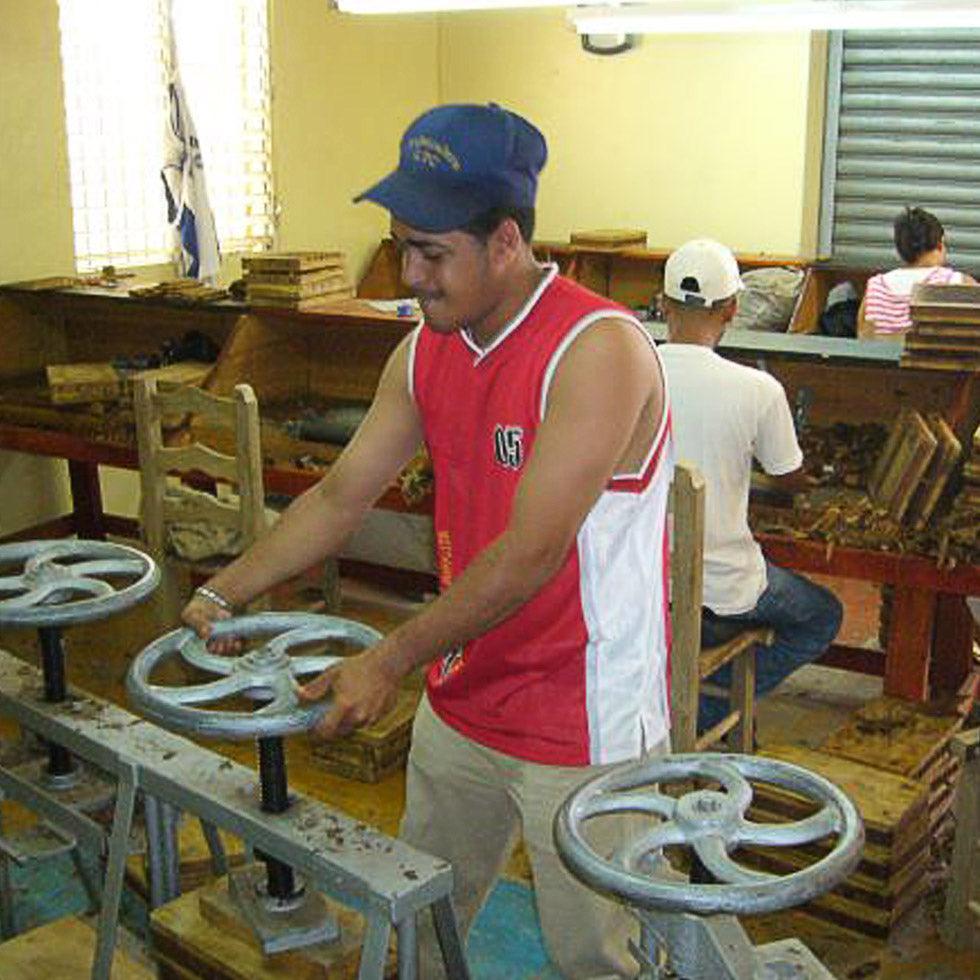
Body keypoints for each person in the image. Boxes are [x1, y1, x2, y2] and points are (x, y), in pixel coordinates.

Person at [182, 103, 673, 978]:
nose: (410, 273)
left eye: (432, 252)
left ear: (507, 244)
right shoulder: (424, 351)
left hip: (584, 720)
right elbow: (340, 496)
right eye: (401, 245)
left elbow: (531, 552)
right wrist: (228, 589)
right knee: (417, 925)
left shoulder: (598, 351)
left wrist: (389, 657)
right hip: (465, 698)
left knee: (597, 959)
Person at [657, 239, 842, 735]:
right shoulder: (758, 390)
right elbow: (786, 475)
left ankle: (665, 706)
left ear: (662, 304)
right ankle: (700, 716)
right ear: (734, 309)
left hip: (643, 588)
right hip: (721, 596)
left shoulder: (631, 372)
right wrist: (808, 476)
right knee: (823, 615)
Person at [858, 206, 976, 340]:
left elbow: (863, 336)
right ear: (940, 244)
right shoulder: (958, 282)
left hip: (883, 359)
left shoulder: (876, 287)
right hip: (936, 360)